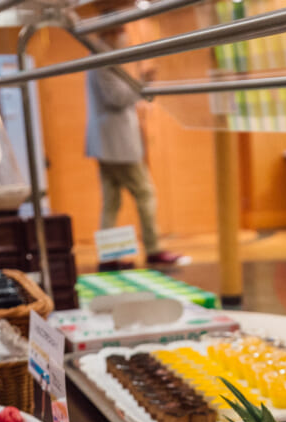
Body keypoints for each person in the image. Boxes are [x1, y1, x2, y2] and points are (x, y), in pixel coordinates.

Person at [84, 26, 185, 267]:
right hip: (117, 143)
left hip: (106, 142)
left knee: (111, 201)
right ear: (109, 31)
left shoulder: (101, 57)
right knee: (145, 193)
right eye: (121, 30)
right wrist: (142, 83)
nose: (124, 36)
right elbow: (117, 98)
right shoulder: (101, 58)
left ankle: (108, 257)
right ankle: (153, 249)